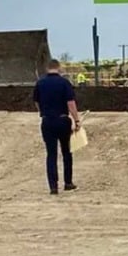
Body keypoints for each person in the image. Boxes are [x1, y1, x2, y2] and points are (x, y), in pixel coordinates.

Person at [32, 58, 81, 195]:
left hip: (47, 121)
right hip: (63, 120)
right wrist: (76, 120)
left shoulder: (40, 83)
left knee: (51, 154)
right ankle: (68, 183)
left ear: (47, 68)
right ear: (58, 68)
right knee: (66, 152)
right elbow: (70, 103)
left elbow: (36, 101)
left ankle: (53, 187)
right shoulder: (64, 83)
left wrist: (43, 111)